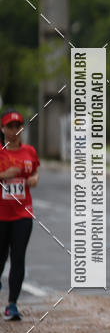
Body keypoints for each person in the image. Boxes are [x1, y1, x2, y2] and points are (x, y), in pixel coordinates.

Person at [0, 111, 39, 320]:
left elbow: (33, 171)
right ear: (3, 129)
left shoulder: (29, 152)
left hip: (23, 213)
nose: (15, 131)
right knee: (1, 258)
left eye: (18, 126)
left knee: (18, 257)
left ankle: (12, 304)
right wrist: (4, 175)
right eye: (10, 126)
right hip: (1, 215)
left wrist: (33, 179)